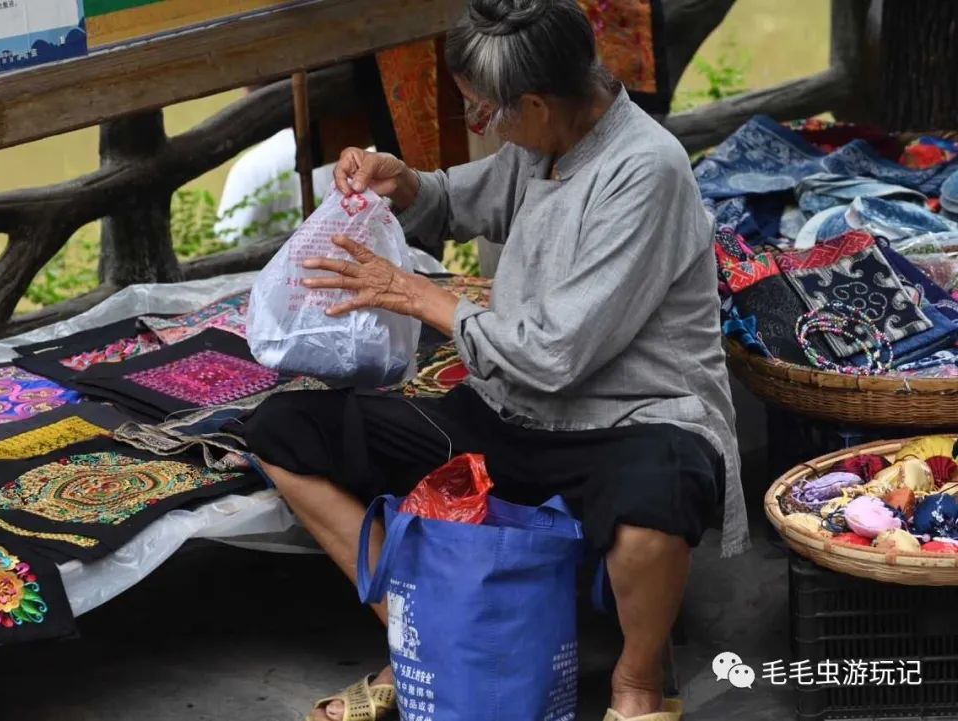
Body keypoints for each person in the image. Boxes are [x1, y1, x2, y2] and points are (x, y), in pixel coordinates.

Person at [241, 0, 749, 719]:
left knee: (656, 498)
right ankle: (427, 636)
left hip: (632, 419)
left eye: (484, 112)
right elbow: (458, 202)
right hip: (512, 411)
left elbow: (555, 354)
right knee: (285, 431)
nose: (484, 127)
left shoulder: (646, 171)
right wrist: (404, 182)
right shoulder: (546, 138)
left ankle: (636, 682)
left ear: (537, 102)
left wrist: (419, 295)